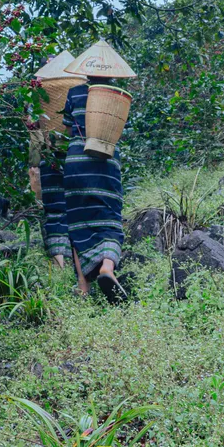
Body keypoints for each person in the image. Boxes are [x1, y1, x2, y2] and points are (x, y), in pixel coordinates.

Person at [61, 39, 135, 302]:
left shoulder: (75, 93)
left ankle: (83, 285)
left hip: (76, 163)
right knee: (110, 220)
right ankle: (106, 267)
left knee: (78, 222)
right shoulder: (119, 96)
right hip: (105, 163)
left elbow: (68, 129)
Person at [31, 50, 77, 268]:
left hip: (49, 158)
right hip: (75, 156)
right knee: (74, 209)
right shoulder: (76, 90)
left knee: (55, 210)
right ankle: (78, 263)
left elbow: (34, 134)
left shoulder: (36, 94)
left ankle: (60, 263)